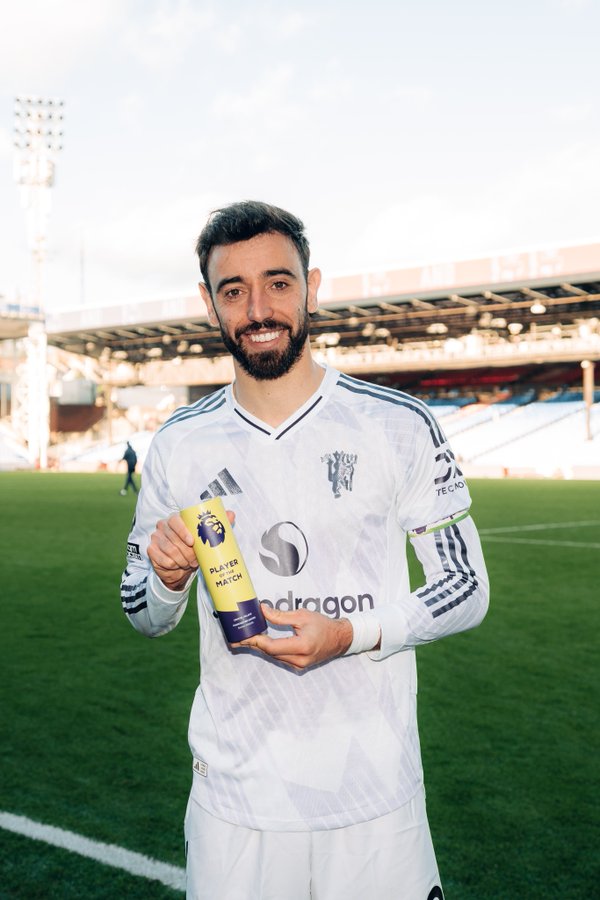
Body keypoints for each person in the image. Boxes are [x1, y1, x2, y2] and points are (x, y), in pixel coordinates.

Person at [120, 201, 489, 899]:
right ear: (209, 304)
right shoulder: (179, 443)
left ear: (311, 287)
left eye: (278, 283)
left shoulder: (399, 425)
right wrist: (167, 577)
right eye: (234, 291)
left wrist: (355, 634)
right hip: (237, 808)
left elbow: (467, 586)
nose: (259, 308)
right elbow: (141, 609)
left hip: (375, 799)